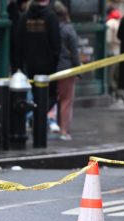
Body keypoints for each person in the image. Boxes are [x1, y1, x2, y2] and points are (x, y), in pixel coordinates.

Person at [15, 0, 61, 131]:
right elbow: (56, 42)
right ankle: (42, 119)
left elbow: (18, 42)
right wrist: (54, 61)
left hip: (30, 64)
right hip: (49, 65)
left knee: (34, 93)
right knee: (50, 95)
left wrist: (19, 64)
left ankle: (35, 118)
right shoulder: (51, 16)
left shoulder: (25, 17)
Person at [48, 1, 79, 141]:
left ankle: (59, 127)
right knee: (66, 101)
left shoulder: (50, 28)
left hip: (52, 68)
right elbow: (74, 52)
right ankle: (64, 131)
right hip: (66, 69)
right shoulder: (68, 29)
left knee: (56, 100)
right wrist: (78, 70)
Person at [106, 7, 122, 102]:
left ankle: (116, 93)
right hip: (118, 52)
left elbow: (108, 40)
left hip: (111, 52)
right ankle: (117, 93)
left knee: (110, 76)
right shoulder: (119, 23)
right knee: (115, 76)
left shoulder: (110, 23)